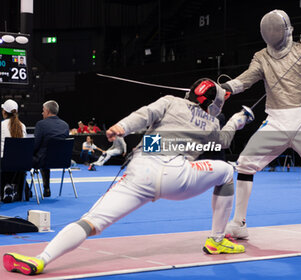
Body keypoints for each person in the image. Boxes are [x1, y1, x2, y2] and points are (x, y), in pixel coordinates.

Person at [3, 78, 254, 275]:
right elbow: (223, 141)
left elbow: (144, 114)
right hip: (178, 177)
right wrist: (237, 120)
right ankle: (216, 240)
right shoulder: (211, 124)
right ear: (213, 104)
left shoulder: (169, 101)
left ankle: (41, 259)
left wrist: (121, 127)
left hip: (140, 171)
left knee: (91, 221)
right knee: (226, 172)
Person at [220, 9, 301, 238]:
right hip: (276, 121)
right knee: (246, 163)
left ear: (286, 30)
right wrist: (225, 89)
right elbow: (245, 80)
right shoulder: (261, 57)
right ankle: (239, 223)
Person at [33, 100, 69, 197]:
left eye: (43, 110)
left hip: (44, 161)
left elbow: (35, 145)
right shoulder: (65, 125)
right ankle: (46, 188)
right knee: (46, 154)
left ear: (48, 111)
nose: (42, 113)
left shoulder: (41, 124)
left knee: (26, 158)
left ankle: (24, 190)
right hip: (63, 161)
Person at [1, 99, 27, 202]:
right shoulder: (22, 126)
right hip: (20, 164)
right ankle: (12, 187)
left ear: (4, 112)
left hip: (4, 163)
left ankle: (6, 187)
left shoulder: (2, 125)